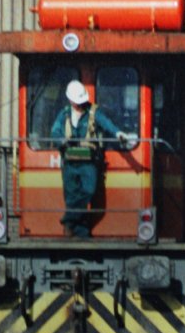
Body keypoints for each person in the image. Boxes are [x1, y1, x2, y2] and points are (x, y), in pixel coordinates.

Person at [50, 80, 132, 238]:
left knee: (89, 190)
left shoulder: (94, 112)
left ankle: (68, 220)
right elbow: (55, 131)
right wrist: (61, 140)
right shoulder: (64, 113)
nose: (79, 104)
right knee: (71, 194)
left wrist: (118, 133)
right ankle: (82, 232)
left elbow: (107, 124)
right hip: (69, 160)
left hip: (88, 161)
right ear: (71, 100)